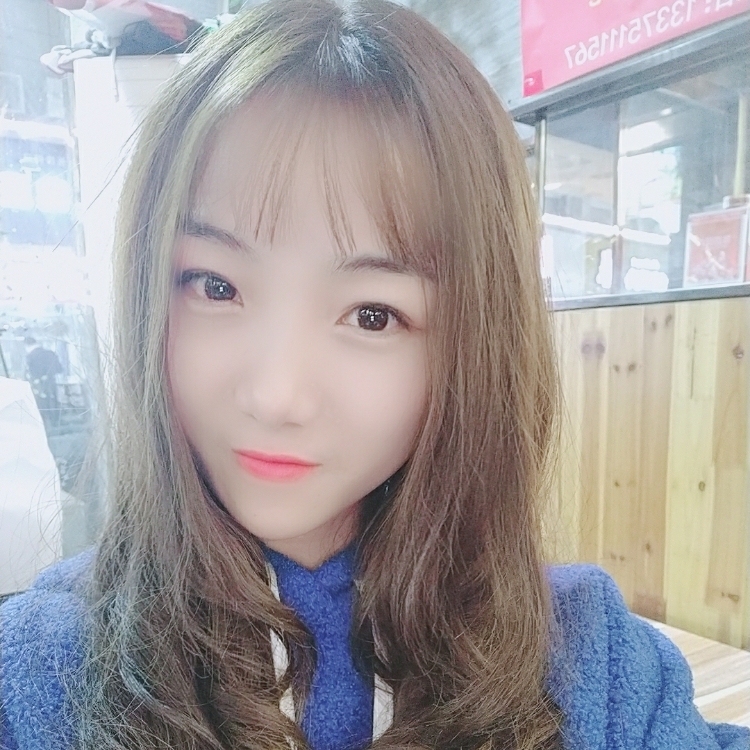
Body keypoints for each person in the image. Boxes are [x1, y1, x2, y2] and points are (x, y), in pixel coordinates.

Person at [1, 2, 748, 749]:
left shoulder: (587, 659)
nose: (276, 396)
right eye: (216, 286)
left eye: (372, 315)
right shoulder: (48, 665)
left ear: (472, 344)